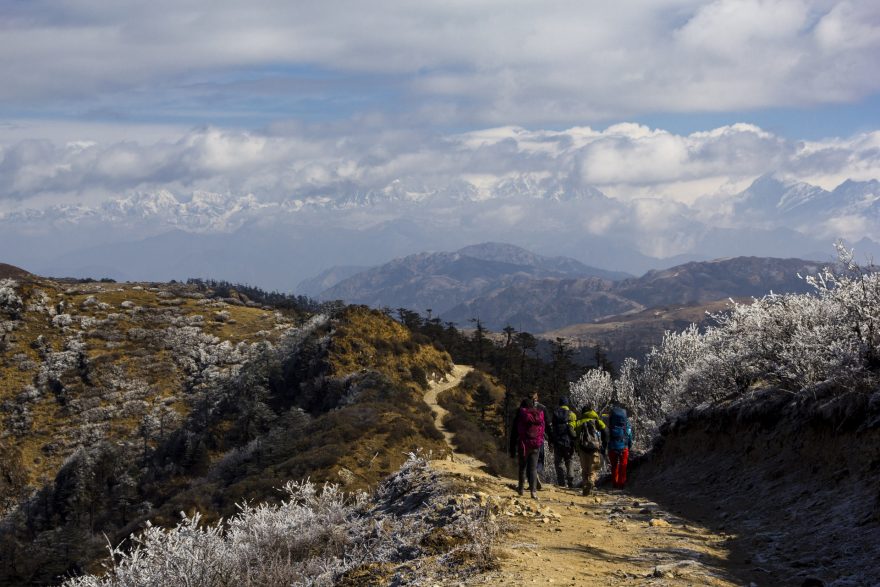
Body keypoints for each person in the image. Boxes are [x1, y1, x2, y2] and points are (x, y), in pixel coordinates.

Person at [508, 397, 545, 499]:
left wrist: (512, 449)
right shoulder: (539, 415)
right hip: (536, 445)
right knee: (533, 469)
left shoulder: (520, 415)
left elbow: (514, 433)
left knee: (522, 468)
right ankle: (533, 492)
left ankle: (521, 490)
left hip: (524, 445)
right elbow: (542, 431)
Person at [574, 402, 606, 496]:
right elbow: (605, 430)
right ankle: (591, 480)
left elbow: (575, 435)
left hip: (583, 448)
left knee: (585, 469)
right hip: (595, 448)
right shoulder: (596, 421)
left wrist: (577, 448)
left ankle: (585, 486)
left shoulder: (579, 422)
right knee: (594, 468)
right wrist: (603, 443)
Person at [550, 396, 577, 488]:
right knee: (569, 461)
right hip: (568, 442)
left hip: (557, 442)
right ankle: (570, 480)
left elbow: (552, 429)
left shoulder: (555, 413)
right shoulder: (572, 414)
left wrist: (551, 442)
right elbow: (574, 428)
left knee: (558, 463)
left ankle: (561, 482)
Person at [607, 405, 634, 489]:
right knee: (623, 466)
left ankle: (615, 484)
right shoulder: (626, 424)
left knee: (614, 466)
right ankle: (621, 484)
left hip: (612, 447)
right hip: (624, 447)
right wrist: (629, 445)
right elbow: (629, 435)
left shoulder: (610, 423)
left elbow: (606, 435)